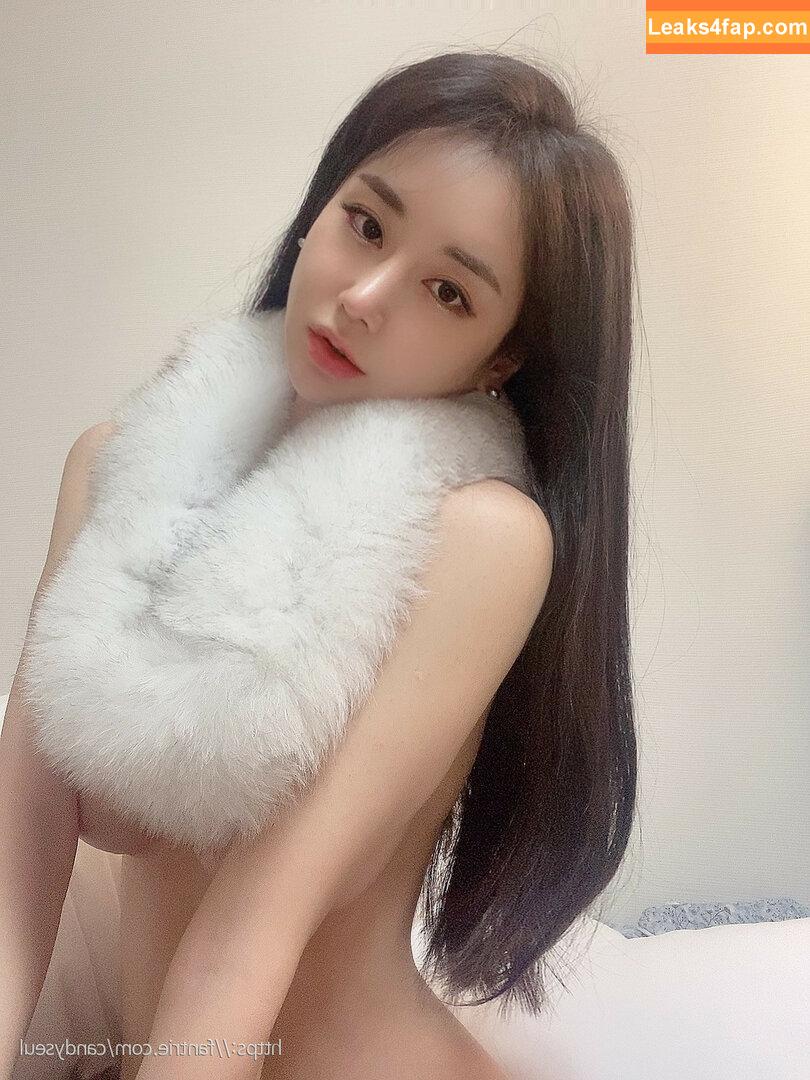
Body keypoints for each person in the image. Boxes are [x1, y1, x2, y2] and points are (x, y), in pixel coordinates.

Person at [1, 48, 638, 1080]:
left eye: (448, 290)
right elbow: (17, 864)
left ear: (501, 357)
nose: (366, 296)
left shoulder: (482, 537)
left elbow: (254, 921)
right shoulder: (118, 467)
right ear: (319, 209)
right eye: (367, 224)